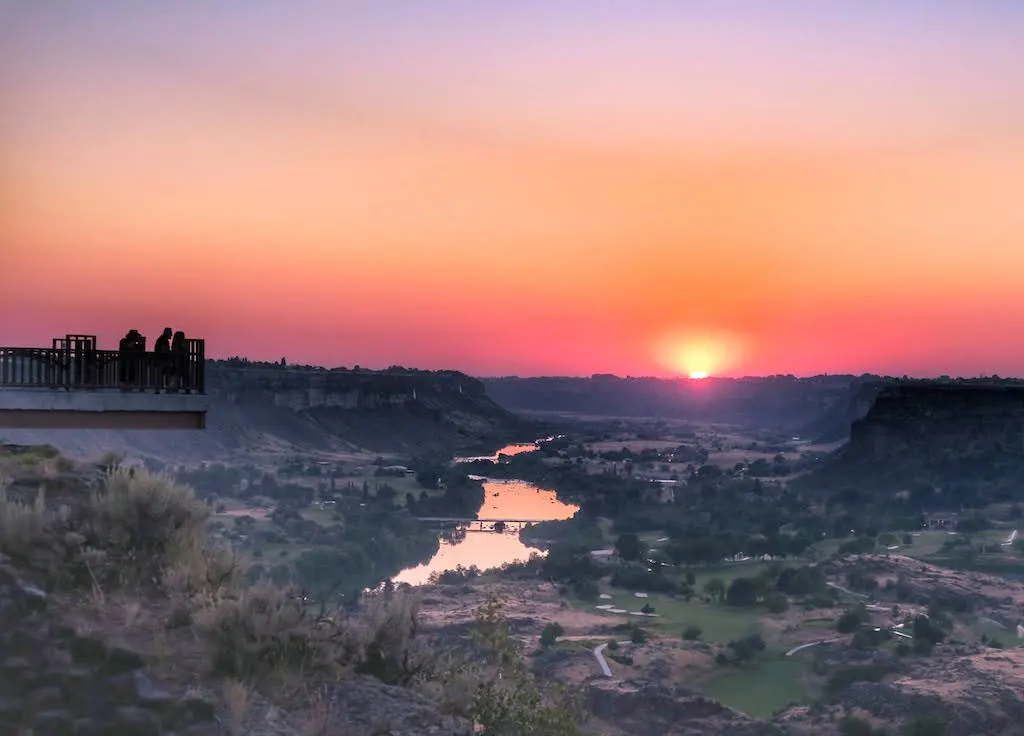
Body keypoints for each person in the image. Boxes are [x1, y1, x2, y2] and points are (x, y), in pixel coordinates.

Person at [153, 327, 173, 392]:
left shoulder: (161, 339)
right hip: (161, 360)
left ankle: (160, 388)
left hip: (161, 360)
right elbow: (164, 350)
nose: (171, 335)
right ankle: (162, 388)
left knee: (162, 374)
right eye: (170, 333)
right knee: (163, 374)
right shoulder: (163, 340)